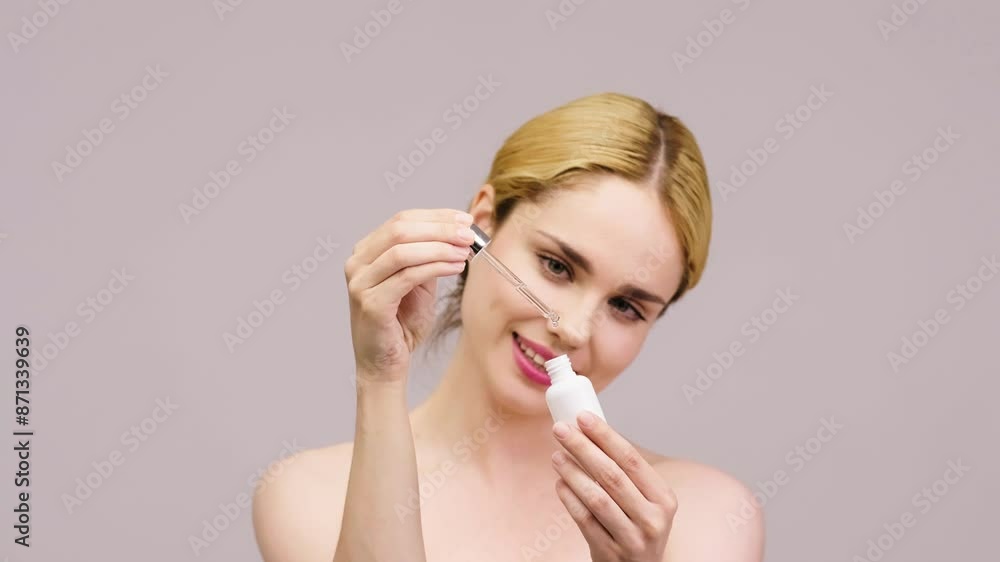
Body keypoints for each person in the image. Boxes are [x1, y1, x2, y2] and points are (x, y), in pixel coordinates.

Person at [252, 92, 766, 562]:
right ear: (483, 221)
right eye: (557, 266)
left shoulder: (706, 519)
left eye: (626, 306)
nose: (574, 329)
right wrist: (379, 379)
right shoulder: (312, 496)